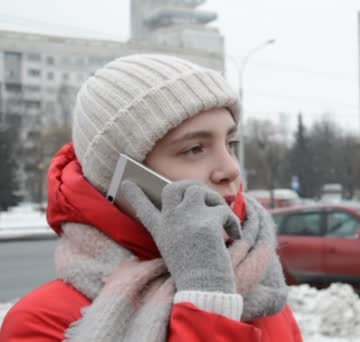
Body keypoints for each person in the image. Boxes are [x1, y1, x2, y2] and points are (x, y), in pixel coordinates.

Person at [0, 54, 302, 341]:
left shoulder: (262, 292)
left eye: (231, 142)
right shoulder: (44, 323)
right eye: (194, 149)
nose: (231, 169)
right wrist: (207, 300)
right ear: (123, 179)